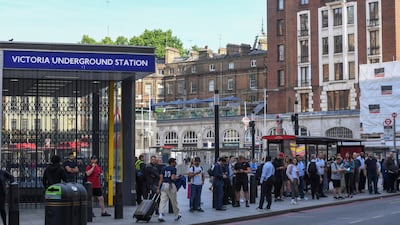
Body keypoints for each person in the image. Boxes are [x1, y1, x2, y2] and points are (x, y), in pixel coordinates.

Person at [157, 158, 182, 222]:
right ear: (172, 163)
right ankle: (177, 214)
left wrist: (158, 188)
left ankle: (160, 215)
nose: (175, 163)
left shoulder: (163, 168)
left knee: (163, 200)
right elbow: (172, 178)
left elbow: (161, 179)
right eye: (174, 162)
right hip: (170, 185)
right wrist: (178, 177)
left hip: (163, 185)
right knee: (173, 200)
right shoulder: (173, 169)